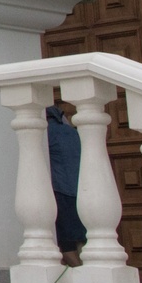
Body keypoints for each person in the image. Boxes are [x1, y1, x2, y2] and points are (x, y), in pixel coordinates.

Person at [46, 103, 85, 266]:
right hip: (81, 190)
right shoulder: (72, 132)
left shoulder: (46, 133)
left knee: (66, 245)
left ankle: (83, 280)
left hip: (61, 191)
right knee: (84, 240)